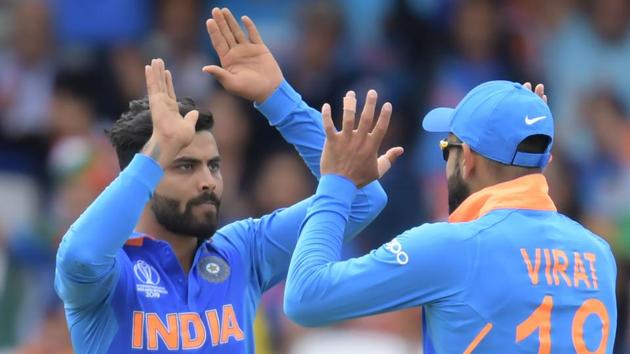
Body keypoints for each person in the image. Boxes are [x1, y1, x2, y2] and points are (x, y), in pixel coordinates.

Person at [54, 9, 392, 353]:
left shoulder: (243, 250)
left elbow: (361, 197)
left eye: (213, 166)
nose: (208, 182)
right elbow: (79, 257)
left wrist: (278, 99)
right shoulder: (112, 271)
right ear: (143, 176)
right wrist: (155, 153)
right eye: (185, 167)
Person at [284, 80, 617, 353]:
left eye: (447, 148)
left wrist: (337, 183)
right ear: (544, 162)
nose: (445, 162)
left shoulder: (452, 248)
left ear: (467, 158)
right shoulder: (599, 254)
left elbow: (306, 297)